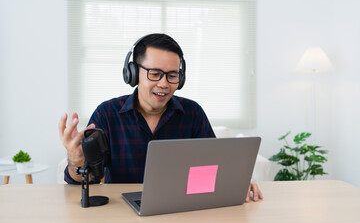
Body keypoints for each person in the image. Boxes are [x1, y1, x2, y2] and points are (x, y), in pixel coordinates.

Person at [58, 33, 263, 202]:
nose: (164, 84)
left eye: (172, 75)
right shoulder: (107, 114)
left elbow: (213, 169)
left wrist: (236, 181)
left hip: (181, 212)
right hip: (123, 217)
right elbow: (84, 184)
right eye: (155, 73)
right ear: (133, 73)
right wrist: (76, 158)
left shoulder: (193, 114)